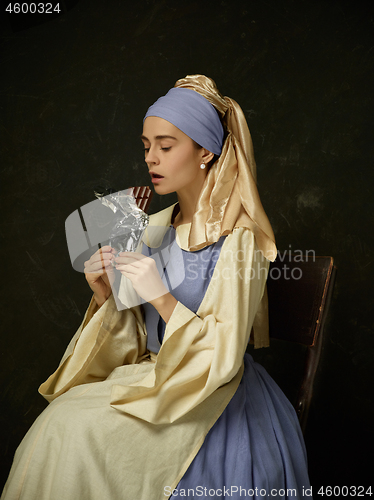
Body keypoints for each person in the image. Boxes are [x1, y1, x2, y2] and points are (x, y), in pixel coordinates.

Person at [1, 75, 311, 499]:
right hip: (155, 375)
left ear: (205, 151)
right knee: (59, 423)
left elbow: (223, 354)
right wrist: (108, 296)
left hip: (212, 391)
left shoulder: (239, 239)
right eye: (147, 146)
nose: (152, 158)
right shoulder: (154, 228)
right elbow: (137, 342)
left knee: (75, 434)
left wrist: (160, 295)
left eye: (166, 146)